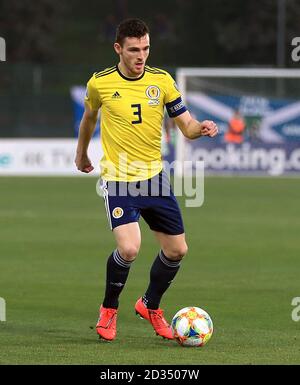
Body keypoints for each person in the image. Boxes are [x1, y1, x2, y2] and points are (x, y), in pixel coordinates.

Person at [75, 18, 218, 341]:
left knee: (177, 250)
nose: (142, 56)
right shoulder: (100, 83)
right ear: (118, 49)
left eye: (146, 48)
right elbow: (89, 118)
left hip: (154, 179)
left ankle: (150, 304)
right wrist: (81, 154)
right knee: (129, 248)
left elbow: (187, 125)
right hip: (119, 179)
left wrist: (202, 128)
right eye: (134, 50)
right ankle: (109, 310)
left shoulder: (162, 81)